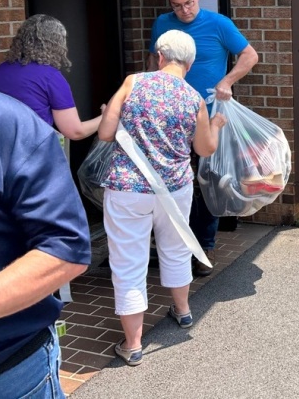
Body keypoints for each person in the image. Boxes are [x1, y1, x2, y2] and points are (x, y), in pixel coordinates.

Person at [0, 0, 92, 394]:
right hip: (33, 164)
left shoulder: (2, 72)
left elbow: (63, 248)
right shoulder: (50, 77)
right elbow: (74, 130)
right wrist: (106, 119)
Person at [99, 30, 227, 366]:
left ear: (159, 57)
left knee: (128, 263)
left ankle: (133, 343)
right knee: (175, 248)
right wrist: (214, 124)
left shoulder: (132, 83)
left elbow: (105, 133)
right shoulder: (193, 98)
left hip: (128, 189)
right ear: (190, 62)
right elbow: (204, 149)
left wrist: (113, 111)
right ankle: (183, 311)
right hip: (175, 189)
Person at [147, 0, 258, 277]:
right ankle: (175, 245)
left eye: (188, 2)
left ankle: (204, 246)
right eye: (177, 5)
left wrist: (227, 81)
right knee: (171, 183)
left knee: (205, 181)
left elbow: (249, 56)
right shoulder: (162, 23)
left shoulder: (218, 24)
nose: (185, 10)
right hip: (168, 120)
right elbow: (152, 63)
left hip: (207, 118)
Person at [0, 13, 103, 140]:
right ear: (57, 43)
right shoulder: (50, 77)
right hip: (33, 150)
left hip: (0, 147)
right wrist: (107, 116)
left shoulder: (0, 70)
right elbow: (75, 132)